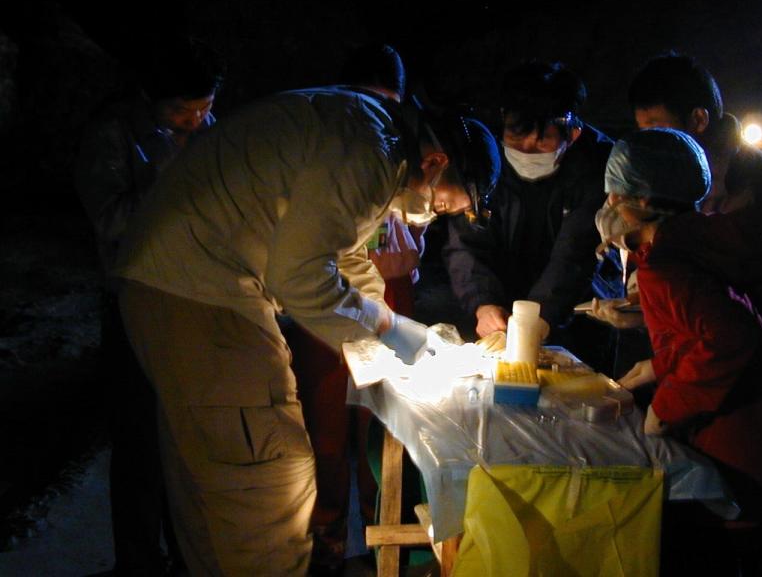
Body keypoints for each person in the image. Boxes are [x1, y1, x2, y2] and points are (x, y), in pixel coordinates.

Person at [113, 83, 499, 575]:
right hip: (203, 294)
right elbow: (300, 277)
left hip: (175, 282)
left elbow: (341, 249)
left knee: (216, 476)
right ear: (436, 163)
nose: (432, 215)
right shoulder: (371, 154)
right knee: (270, 474)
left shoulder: (369, 131)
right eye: (443, 206)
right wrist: (385, 329)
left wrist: (391, 326)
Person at [597, 128, 762, 573]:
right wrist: (659, 364)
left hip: (753, 473)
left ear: (643, 201)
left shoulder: (665, 267)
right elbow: (727, 330)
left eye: (615, 194)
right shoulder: (729, 242)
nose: (609, 205)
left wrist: (666, 406)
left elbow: (733, 341)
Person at [73, 34, 223, 576]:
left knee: (187, 439)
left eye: (204, 110)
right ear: (151, 99)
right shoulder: (115, 135)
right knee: (138, 440)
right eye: (182, 111)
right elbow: (110, 219)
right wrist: (166, 180)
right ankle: (138, 562)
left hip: (197, 304)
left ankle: (188, 555)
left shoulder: (211, 133)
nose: (194, 121)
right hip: (134, 303)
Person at [277, 44, 426, 571]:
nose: (375, 116)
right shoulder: (333, 152)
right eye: (366, 101)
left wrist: (404, 266)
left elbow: (412, 234)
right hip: (322, 307)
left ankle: (383, 542)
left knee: (382, 429)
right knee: (325, 433)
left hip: (389, 296)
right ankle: (327, 545)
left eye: (388, 104)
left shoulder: (401, 158)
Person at [444, 60, 618, 370]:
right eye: (515, 136)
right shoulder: (483, 156)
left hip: (574, 313)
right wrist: (483, 303)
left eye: (542, 140)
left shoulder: (600, 167)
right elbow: (465, 240)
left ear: (573, 133)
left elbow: (576, 252)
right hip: (497, 310)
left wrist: (539, 318)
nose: (527, 148)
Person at [627, 53, 762, 270]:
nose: (649, 143)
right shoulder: (675, 174)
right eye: (643, 131)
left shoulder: (754, 186)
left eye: (657, 129)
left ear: (699, 120)